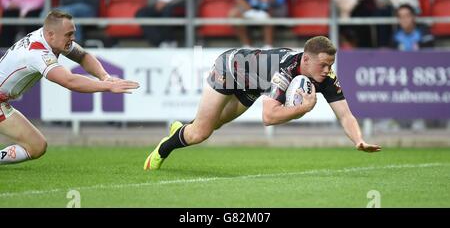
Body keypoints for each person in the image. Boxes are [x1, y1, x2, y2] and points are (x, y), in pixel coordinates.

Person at [143, 36, 381, 170]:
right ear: (306, 59)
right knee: (201, 133)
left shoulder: (325, 76)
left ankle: (182, 129)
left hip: (253, 84)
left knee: (213, 125)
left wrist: (358, 140)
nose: (328, 70)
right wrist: (303, 109)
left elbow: (345, 115)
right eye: (324, 65)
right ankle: (163, 149)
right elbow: (268, 118)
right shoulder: (284, 70)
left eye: (331, 64)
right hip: (229, 68)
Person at [0, 10, 140, 166]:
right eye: (69, 34)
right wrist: (108, 86)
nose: (72, 38)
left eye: (73, 33)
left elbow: (83, 56)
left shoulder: (50, 37)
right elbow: (69, 80)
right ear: (51, 34)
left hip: (2, 101)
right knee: (36, 146)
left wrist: (105, 76)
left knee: (37, 146)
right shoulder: (36, 53)